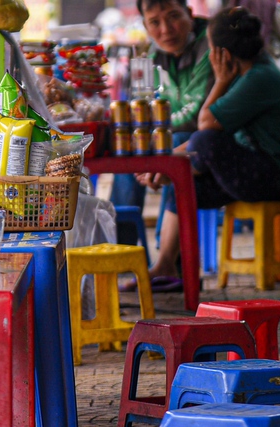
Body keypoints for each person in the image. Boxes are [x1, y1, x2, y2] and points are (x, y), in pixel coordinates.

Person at [136, 6, 280, 284]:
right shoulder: (248, 75)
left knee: (207, 142)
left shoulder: (258, 79)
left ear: (222, 54)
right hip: (266, 170)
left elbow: (205, 125)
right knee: (186, 183)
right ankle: (166, 265)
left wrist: (220, 81)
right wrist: (171, 163)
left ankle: (171, 172)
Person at [116, 0, 214, 290]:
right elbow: (143, 105)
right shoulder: (152, 55)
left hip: (210, 138)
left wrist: (154, 130)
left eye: (174, 17)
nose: (166, 29)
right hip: (179, 135)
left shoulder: (210, 45)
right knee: (127, 155)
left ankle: (166, 260)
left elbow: (198, 113)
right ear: (145, 26)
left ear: (190, 15)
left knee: (170, 148)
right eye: (155, 22)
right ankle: (122, 256)